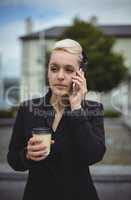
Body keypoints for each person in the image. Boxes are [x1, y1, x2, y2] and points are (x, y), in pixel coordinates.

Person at [7, 39, 106, 200]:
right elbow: (12, 158)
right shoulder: (28, 109)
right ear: (48, 71)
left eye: (68, 70)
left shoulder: (92, 109)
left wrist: (76, 107)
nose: (59, 76)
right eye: (54, 68)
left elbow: (93, 155)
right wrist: (27, 155)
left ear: (80, 74)